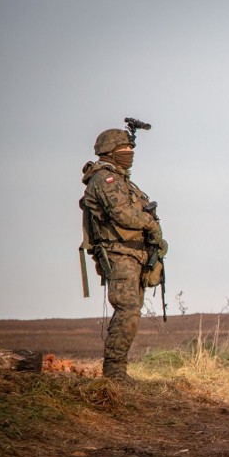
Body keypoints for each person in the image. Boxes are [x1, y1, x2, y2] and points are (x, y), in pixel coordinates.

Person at [79, 127, 167, 382]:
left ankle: (117, 372)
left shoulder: (121, 180)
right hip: (118, 255)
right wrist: (150, 225)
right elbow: (123, 215)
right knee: (127, 309)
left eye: (130, 149)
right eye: (125, 150)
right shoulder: (105, 179)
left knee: (132, 310)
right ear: (111, 152)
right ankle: (114, 374)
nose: (130, 154)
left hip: (132, 254)